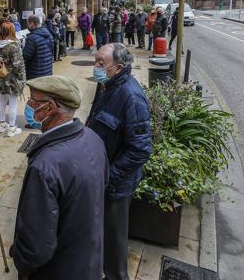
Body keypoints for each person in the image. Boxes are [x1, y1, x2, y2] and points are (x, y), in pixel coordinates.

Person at [10, 75, 108, 280]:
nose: (28, 105)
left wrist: (22, 265)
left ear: (51, 107)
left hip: (58, 269)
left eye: (33, 100)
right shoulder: (93, 138)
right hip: (88, 260)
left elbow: (36, 242)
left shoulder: (45, 165)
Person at [86, 43, 152, 280]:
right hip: (99, 176)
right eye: (95, 61)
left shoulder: (131, 97)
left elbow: (141, 149)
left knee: (114, 241)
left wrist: (109, 177)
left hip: (115, 185)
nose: (96, 67)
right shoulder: (105, 85)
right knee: (99, 232)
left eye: (101, 64)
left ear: (119, 67)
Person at [0, 21, 26, 137]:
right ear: (12, 31)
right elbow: (18, 65)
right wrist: (22, 79)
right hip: (11, 79)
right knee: (13, 103)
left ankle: (2, 124)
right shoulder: (14, 46)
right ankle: (12, 127)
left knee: (2, 101)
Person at [23, 15, 53, 80]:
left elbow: (26, 56)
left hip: (35, 74)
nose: (28, 26)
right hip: (48, 71)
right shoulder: (49, 34)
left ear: (32, 24)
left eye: (28, 24)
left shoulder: (32, 38)